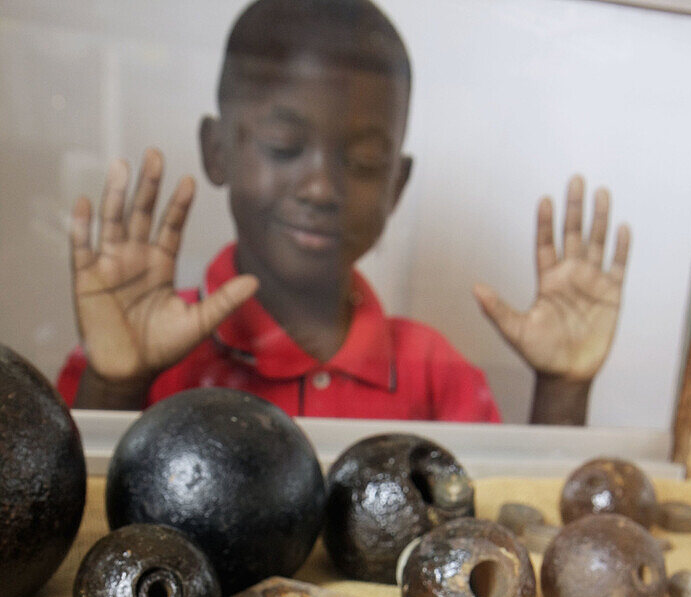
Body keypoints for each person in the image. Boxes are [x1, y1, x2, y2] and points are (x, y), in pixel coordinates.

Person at [58, 0, 630, 424]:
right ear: (217, 149)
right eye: (284, 146)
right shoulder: (143, 347)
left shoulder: (436, 373)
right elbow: (62, 547)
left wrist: (563, 388)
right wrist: (115, 386)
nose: (321, 188)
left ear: (397, 185)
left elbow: (509, 536)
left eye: (361, 163)